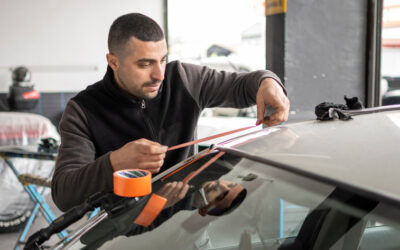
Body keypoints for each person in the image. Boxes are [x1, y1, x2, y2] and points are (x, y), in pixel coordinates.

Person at [51, 13, 290, 212]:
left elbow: (244, 85)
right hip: (124, 239)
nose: (160, 75)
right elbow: (63, 194)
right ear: (113, 62)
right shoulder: (83, 110)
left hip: (190, 229)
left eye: (163, 60)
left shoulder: (183, 79)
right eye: (145, 64)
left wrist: (268, 82)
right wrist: (115, 162)